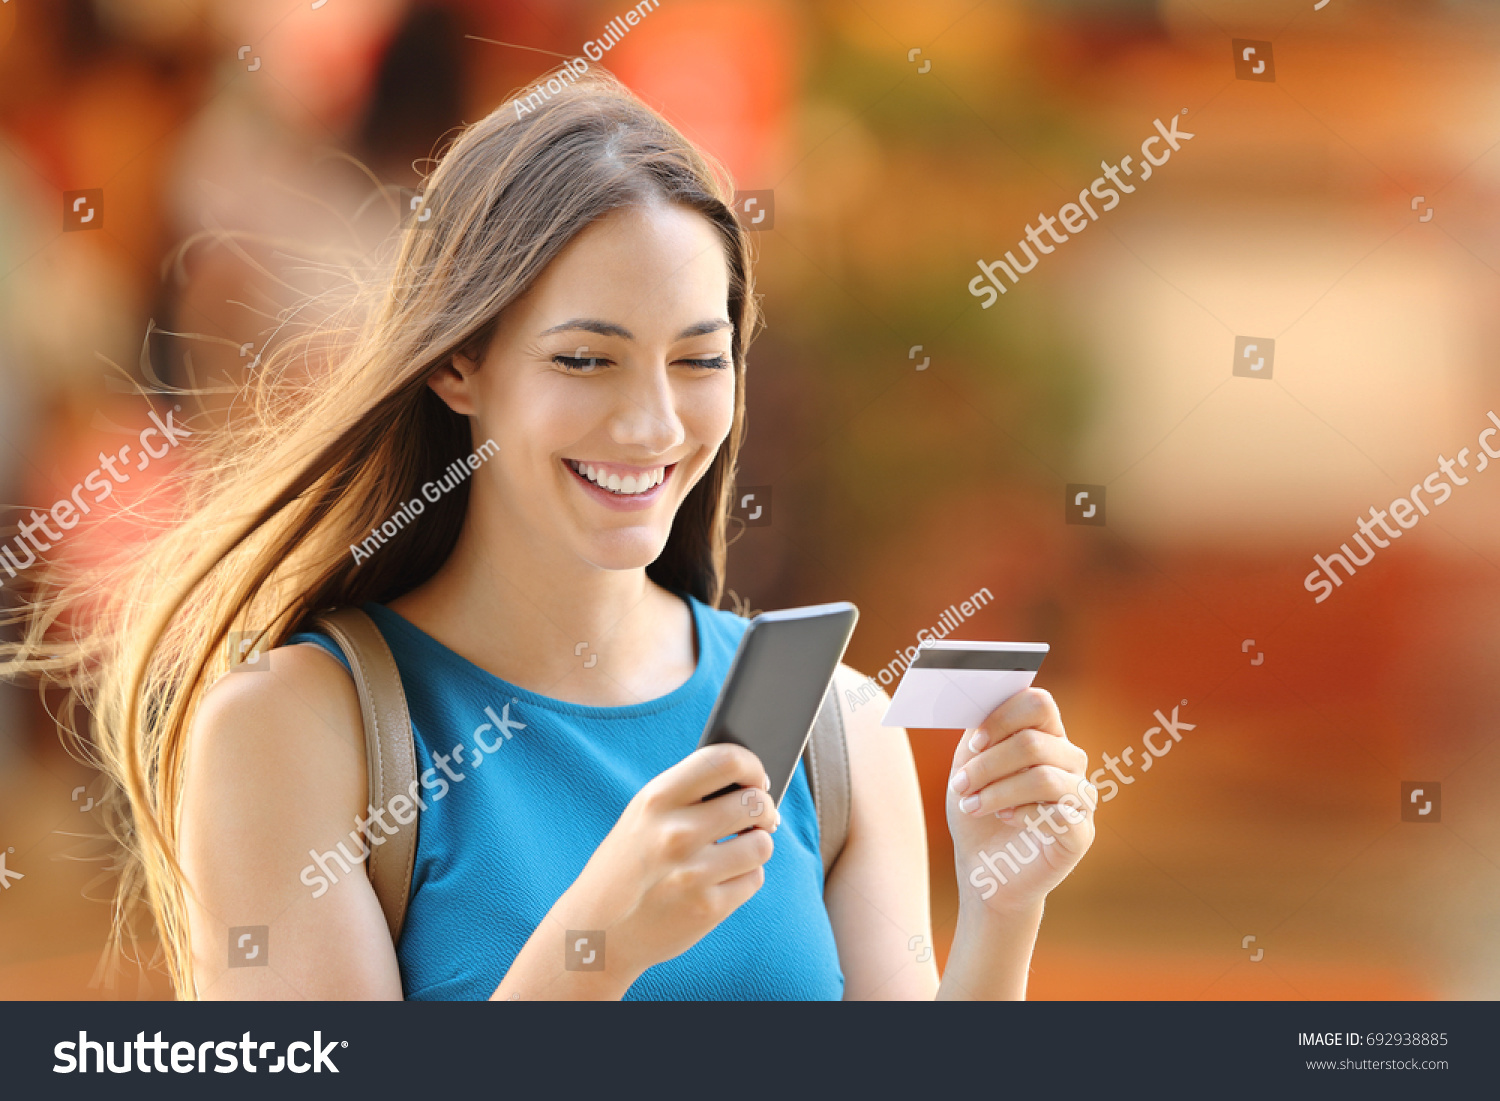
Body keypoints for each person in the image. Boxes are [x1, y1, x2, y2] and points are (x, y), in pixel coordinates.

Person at [7, 71, 1095, 1000]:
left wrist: (1002, 911)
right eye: (587, 359)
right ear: (458, 363)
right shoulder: (295, 733)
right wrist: (594, 951)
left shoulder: (837, 730)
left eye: (699, 358)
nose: (653, 424)